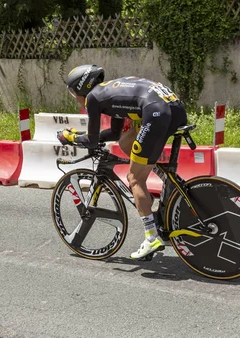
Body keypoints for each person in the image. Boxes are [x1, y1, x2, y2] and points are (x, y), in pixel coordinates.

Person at [57, 64, 188, 259]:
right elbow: (114, 133)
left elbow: (92, 141)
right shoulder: (108, 93)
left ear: (81, 87)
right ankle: (164, 182)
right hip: (172, 107)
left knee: (134, 178)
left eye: (73, 92)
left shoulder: (93, 98)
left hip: (155, 111)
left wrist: (71, 137)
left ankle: (152, 238)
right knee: (126, 141)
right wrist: (81, 135)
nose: (75, 98)